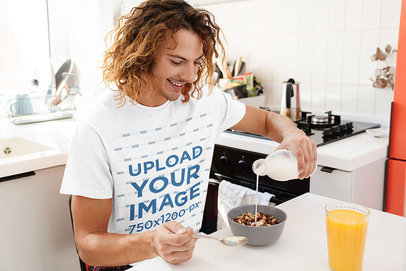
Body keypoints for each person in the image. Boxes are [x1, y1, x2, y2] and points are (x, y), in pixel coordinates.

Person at [60, 0, 317, 270]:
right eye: (176, 61)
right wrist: (152, 243)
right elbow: (88, 244)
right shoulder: (97, 126)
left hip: (191, 260)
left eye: (196, 62)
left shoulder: (205, 102)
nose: (191, 76)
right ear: (142, 55)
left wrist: (293, 133)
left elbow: (266, 120)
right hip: (130, 265)